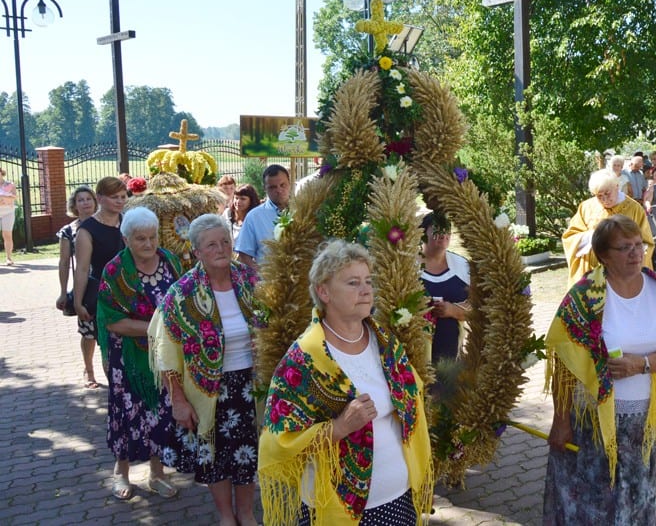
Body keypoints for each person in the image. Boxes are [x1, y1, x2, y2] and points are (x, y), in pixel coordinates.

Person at [259, 239, 433, 525]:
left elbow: (413, 393)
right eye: (353, 283)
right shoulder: (303, 360)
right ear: (323, 292)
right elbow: (278, 442)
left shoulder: (385, 343)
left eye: (368, 281)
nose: (366, 290)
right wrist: (339, 427)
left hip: (399, 498)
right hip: (337, 509)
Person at [544, 215, 656, 525]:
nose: (636, 253)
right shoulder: (586, 295)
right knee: (593, 504)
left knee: (635, 499)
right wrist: (561, 420)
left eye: (639, 245)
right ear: (603, 255)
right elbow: (564, 361)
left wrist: (642, 364)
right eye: (625, 247)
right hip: (592, 423)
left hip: (642, 423)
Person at [151, 213, 266, 526]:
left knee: (248, 452)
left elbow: (273, 325)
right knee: (215, 456)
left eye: (225, 241)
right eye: (211, 245)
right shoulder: (182, 293)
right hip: (208, 389)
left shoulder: (251, 280)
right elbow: (166, 352)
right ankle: (226, 516)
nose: (221, 248)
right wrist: (178, 399)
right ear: (197, 252)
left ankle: (246, 513)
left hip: (251, 385)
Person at [96, 207, 183, 500]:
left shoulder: (170, 262)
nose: (148, 243)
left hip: (163, 356)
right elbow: (112, 320)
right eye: (140, 238)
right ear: (126, 239)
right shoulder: (115, 271)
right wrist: (157, 328)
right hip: (128, 358)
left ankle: (157, 474)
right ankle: (121, 472)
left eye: (152, 237)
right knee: (127, 412)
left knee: (161, 411)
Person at [562, 170, 655, 287]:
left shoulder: (634, 209)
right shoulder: (586, 207)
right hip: (592, 274)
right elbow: (570, 237)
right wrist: (592, 236)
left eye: (607, 193)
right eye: (599, 196)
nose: (605, 199)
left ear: (617, 186)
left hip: (624, 274)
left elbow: (646, 242)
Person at [55, 185, 100, 388]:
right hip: (86, 287)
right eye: (80, 200)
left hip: (108, 284)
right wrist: (63, 292)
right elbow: (64, 262)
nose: (85, 203)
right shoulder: (69, 231)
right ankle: (88, 371)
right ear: (74, 205)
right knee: (88, 331)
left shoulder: (108, 222)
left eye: (88, 199)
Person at [73, 177, 127, 347]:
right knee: (108, 345)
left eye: (123, 196)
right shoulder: (87, 229)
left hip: (129, 292)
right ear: (100, 198)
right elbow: (82, 269)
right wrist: (78, 302)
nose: (120, 201)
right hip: (103, 294)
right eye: (114, 197)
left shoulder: (129, 222)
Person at [419, 212, 470, 362]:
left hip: (452, 359)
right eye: (437, 228)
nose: (443, 234)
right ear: (423, 234)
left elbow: (478, 307)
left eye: (447, 229)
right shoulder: (408, 267)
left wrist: (453, 310)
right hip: (416, 358)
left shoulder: (462, 266)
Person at [235, 164, 291, 271]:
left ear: (290, 183)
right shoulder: (254, 217)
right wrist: (260, 274)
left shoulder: (303, 211)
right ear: (265, 188)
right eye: (273, 187)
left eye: (282, 185)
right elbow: (244, 254)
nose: (279, 190)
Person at [0, 167, 16, 265]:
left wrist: (2, 197)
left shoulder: (10, 184)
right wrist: (6, 198)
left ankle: (8, 258)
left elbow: (13, 197)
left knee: (7, 235)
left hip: (8, 212)